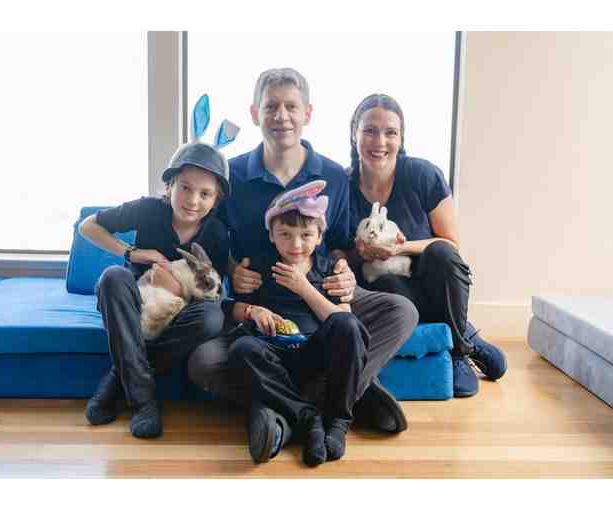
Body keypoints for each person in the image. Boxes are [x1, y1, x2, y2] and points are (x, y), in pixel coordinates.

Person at [187, 68, 418, 462]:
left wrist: (344, 271)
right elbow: (210, 242)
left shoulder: (333, 175)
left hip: (321, 289)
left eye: (291, 107)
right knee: (203, 362)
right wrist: (231, 270)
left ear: (307, 113)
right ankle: (339, 397)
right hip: (263, 301)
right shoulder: (232, 175)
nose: (282, 116)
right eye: (271, 107)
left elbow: (341, 247)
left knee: (401, 310)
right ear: (255, 114)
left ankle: (294, 407)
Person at [347, 93, 507, 397]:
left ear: (401, 138)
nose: (379, 141)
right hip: (388, 290)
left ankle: (458, 351)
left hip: (430, 280)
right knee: (387, 281)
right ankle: (465, 331)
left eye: (390, 132)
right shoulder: (343, 185)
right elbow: (337, 255)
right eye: (369, 130)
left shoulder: (423, 174)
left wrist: (401, 248)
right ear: (354, 133)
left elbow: (450, 242)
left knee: (443, 254)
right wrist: (361, 252)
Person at [79, 140, 231, 438]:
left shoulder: (215, 233)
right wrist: (132, 252)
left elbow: (212, 293)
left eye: (205, 194)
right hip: (134, 304)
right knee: (112, 277)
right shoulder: (148, 209)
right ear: (170, 185)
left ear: (216, 200)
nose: (193, 200)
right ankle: (143, 401)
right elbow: (88, 226)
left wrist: (176, 287)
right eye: (185, 188)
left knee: (213, 317)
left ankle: (119, 378)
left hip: (179, 313)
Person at [229, 181, 369, 465]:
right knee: (242, 348)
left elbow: (343, 318)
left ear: (319, 237)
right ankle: (308, 419)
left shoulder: (329, 269)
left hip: (316, 353)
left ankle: (338, 422)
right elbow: (235, 308)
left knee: (348, 326)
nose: (295, 244)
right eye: (285, 234)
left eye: (306, 235)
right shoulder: (259, 265)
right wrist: (253, 311)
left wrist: (303, 287)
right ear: (271, 235)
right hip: (274, 353)